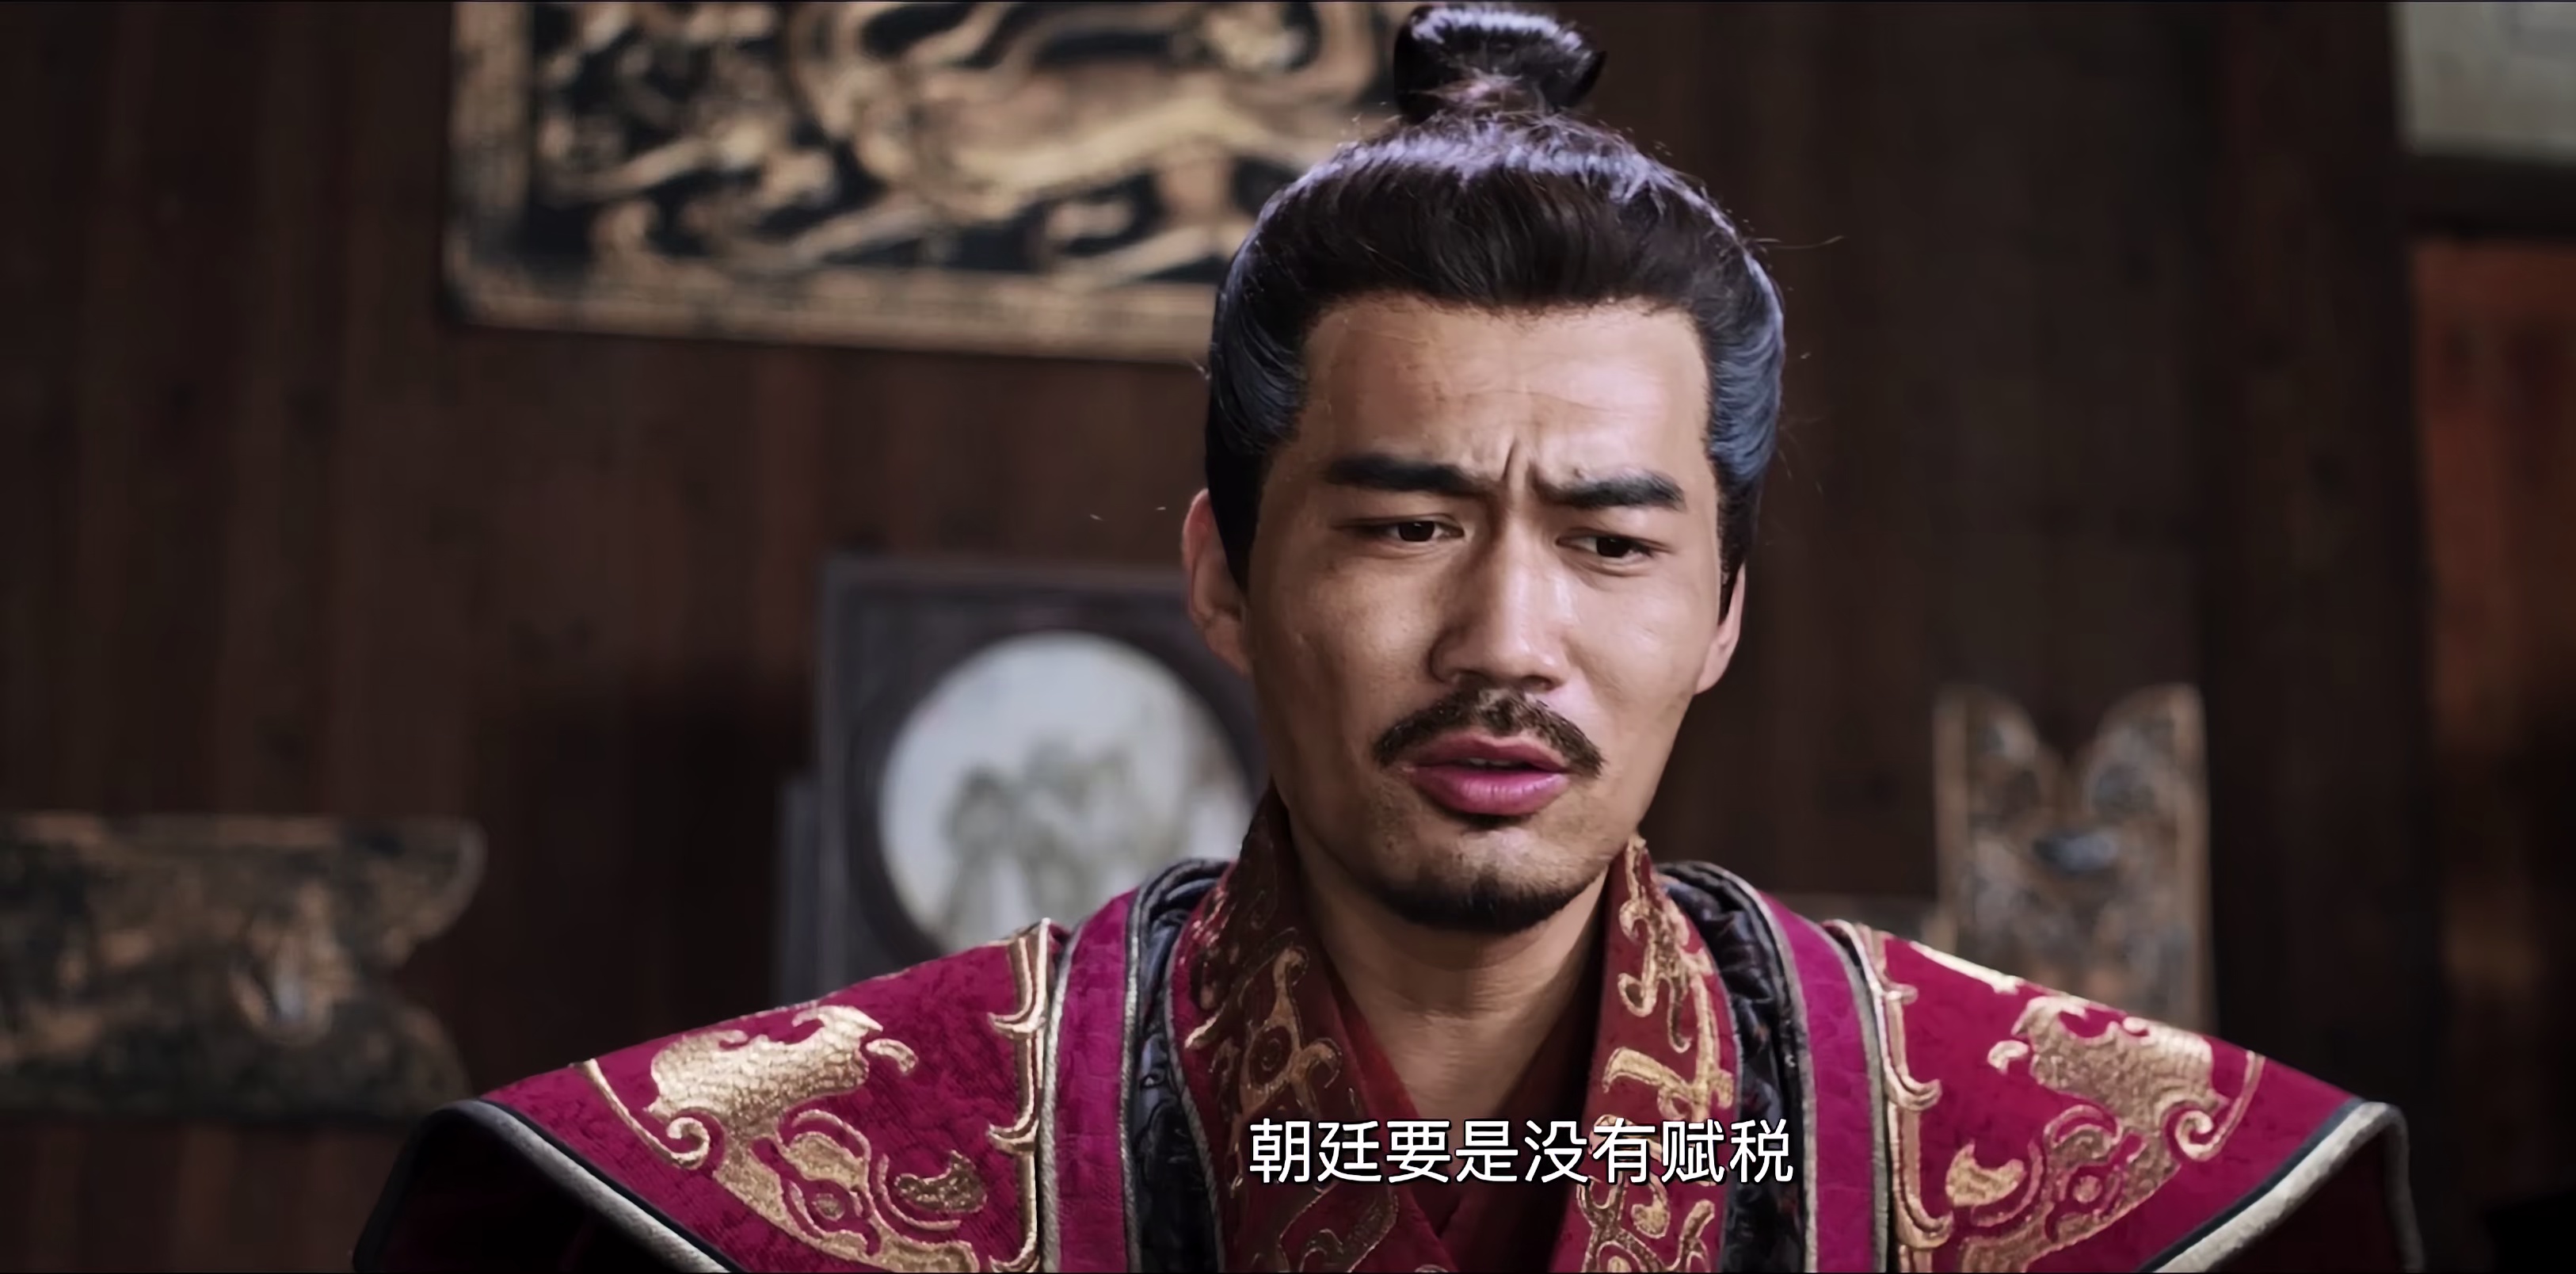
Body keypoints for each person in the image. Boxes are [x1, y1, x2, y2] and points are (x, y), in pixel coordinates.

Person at [353, 6, 2422, 1271]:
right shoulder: (829, 1176)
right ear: (1223, 574)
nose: (1506, 636)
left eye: (1611, 542)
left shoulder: (2045, 1171)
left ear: (1721, 611)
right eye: (1411, 524)